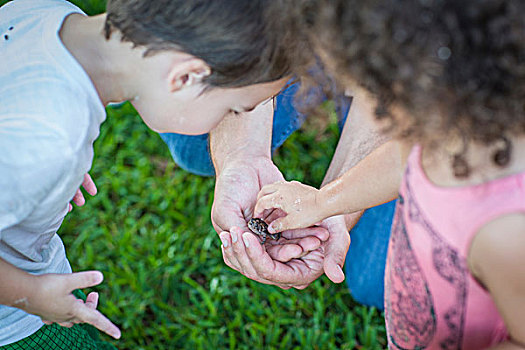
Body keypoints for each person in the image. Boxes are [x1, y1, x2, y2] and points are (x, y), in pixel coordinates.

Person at [0, 0, 291, 347]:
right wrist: (33, 295)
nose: (221, 123)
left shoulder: (44, 13)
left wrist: (44, 176)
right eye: (232, 108)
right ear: (184, 78)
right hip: (16, 323)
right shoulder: (50, 142)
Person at [252, 0, 525, 348]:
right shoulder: (443, 128)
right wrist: (323, 203)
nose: (357, 108)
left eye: (371, 96)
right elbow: (400, 162)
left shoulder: (506, 232)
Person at [160, 51, 395, 310]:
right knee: (194, 137)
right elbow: (247, 25)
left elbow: (407, 81)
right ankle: (310, 63)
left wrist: (334, 205)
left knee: (375, 285)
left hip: (404, 70)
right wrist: (242, 155)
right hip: (298, 29)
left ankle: (349, 80)